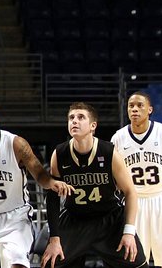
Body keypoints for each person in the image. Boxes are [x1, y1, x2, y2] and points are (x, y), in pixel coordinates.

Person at [41, 103, 147, 268]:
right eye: (71, 118)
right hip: (75, 219)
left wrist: (129, 232)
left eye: (80, 117)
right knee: (50, 262)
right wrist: (54, 238)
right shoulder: (60, 154)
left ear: (93, 126)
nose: (74, 121)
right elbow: (52, 197)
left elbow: (130, 192)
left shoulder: (108, 152)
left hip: (109, 219)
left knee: (137, 263)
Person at [0, 99, 73, 268]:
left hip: (15, 216)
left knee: (17, 264)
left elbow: (39, 173)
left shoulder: (15, 144)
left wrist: (51, 182)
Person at [110, 92, 162, 268]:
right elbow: (113, 177)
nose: (134, 109)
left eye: (140, 105)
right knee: (136, 261)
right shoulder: (118, 138)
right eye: (131, 106)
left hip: (161, 199)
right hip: (134, 201)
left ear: (150, 110)